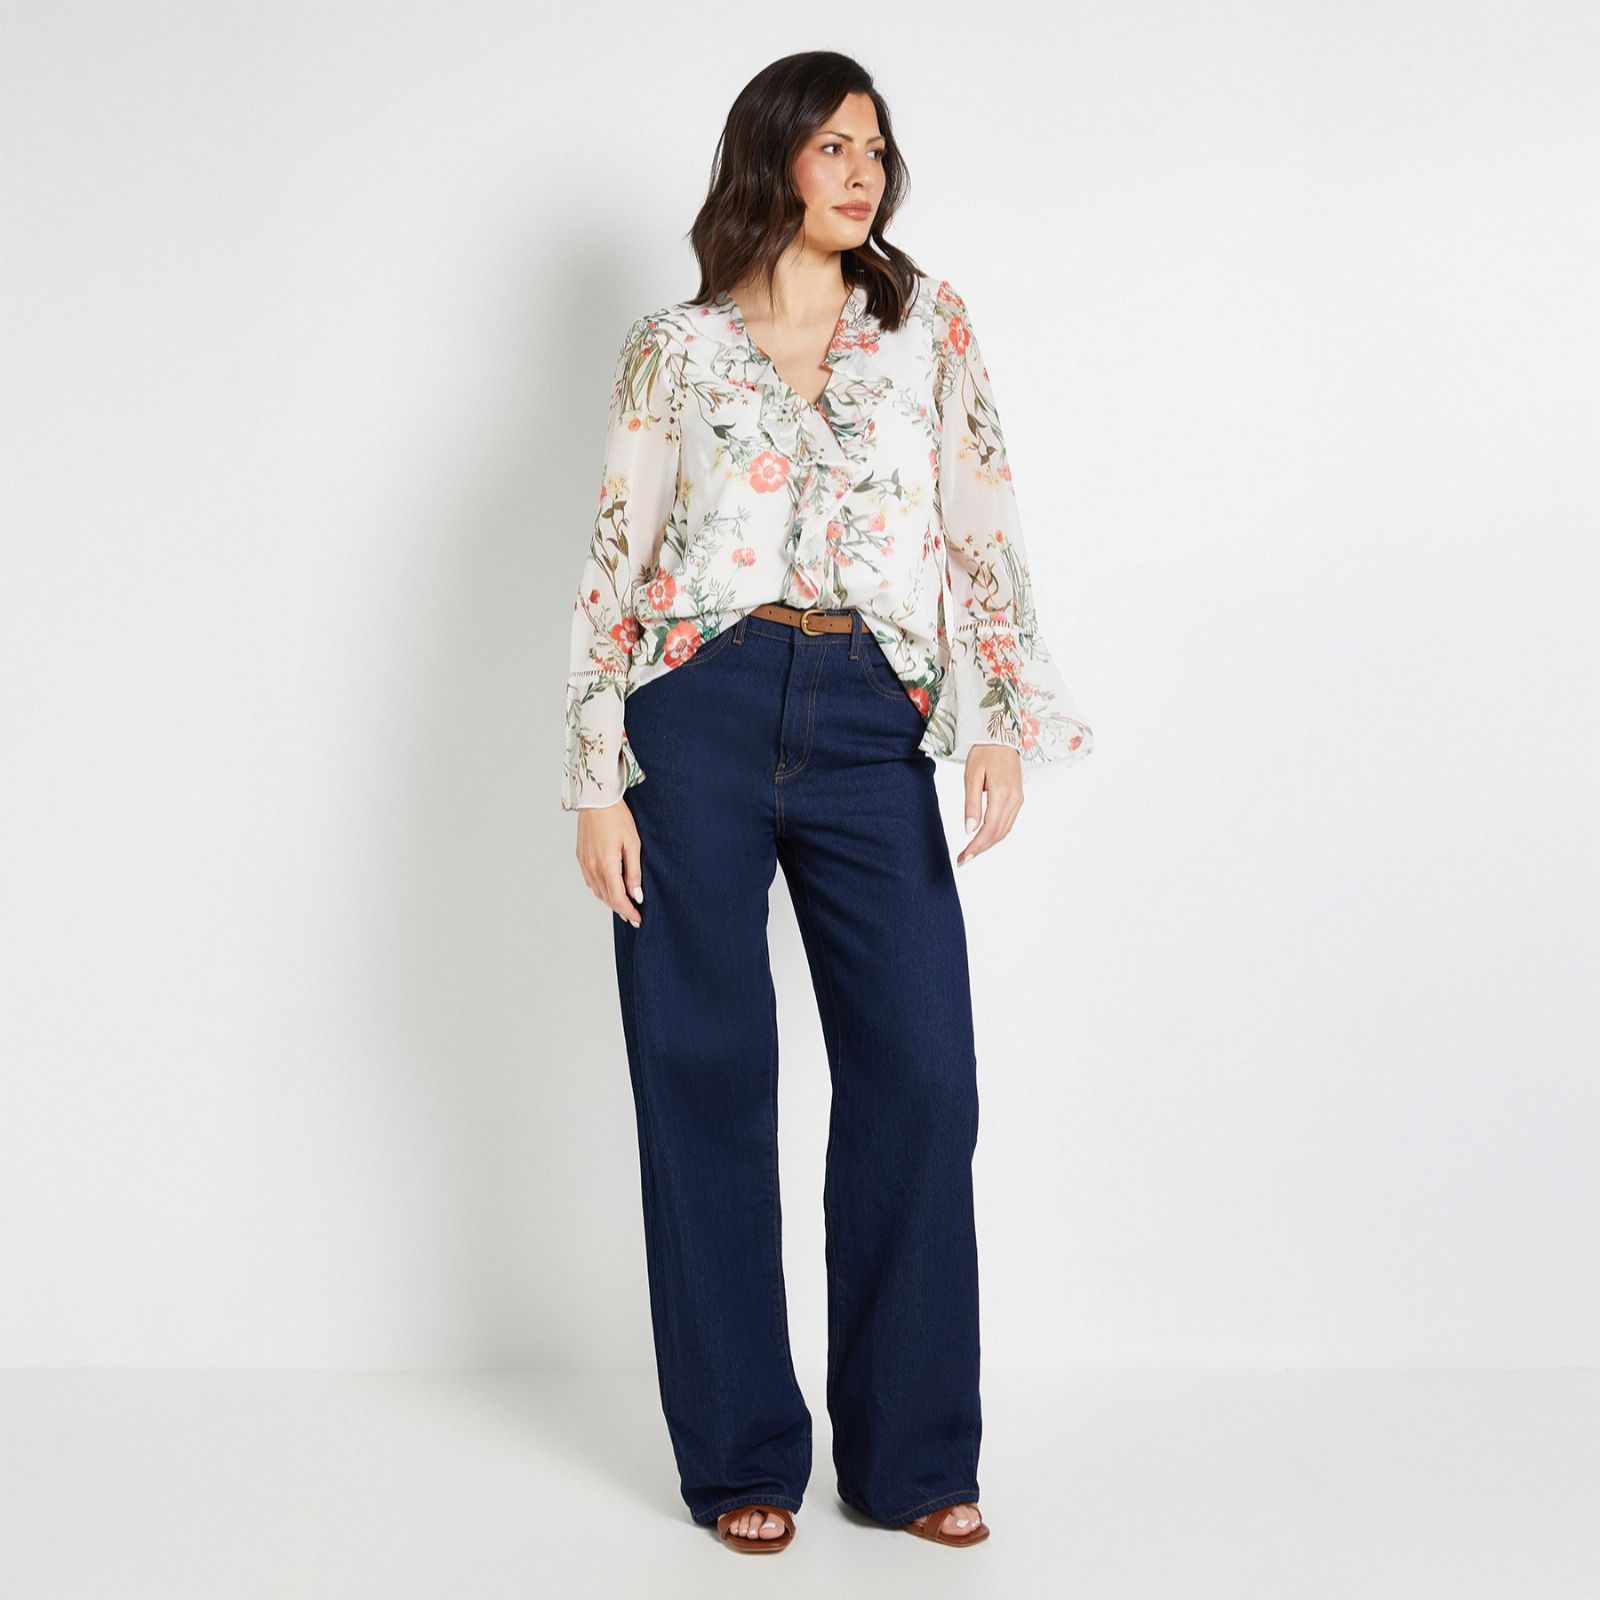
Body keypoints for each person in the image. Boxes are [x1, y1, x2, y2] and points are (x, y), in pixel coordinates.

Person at [560, 51, 1094, 1554]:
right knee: (704, 1072)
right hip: (698, 711)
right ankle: (741, 1451)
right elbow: (615, 557)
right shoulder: (675, 350)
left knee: (921, 1070)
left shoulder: (927, 329)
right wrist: (595, 773)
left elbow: (983, 524)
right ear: (772, 160)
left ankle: (911, 1456)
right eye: (833, 147)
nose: (864, 173)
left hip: (872, 712)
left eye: (876, 148)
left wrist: (997, 720)